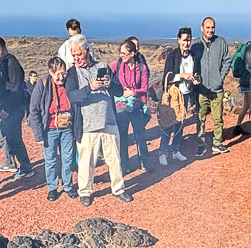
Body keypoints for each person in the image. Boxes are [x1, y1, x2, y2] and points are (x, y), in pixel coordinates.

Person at [66, 36, 131, 207]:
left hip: (109, 121)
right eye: (73, 55)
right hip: (87, 125)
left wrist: (110, 84)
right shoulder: (73, 73)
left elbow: (118, 90)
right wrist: (90, 88)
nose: (76, 58)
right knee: (86, 161)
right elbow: (72, 96)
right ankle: (85, 191)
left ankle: (119, 189)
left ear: (87, 50)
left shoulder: (103, 67)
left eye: (78, 54)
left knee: (114, 159)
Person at [28, 56, 77, 201]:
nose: (61, 78)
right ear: (51, 72)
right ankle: (52, 187)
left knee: (68, 158)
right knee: (50, 160)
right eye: (58, 74)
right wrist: (38, 135)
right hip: (49, 128)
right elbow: (34, 109)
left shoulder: (69, 83)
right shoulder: (43, 84)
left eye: (63, 73)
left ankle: (67, 185)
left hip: (67, 127)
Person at [0, 36, 34, 178]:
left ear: (4, 48)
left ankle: (26, 167)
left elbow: (15, 89)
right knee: (6, 135)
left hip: (14, 108)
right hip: (9, 107)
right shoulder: (4, 64)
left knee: (14, 138)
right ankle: (13, 163)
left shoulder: (11, 63)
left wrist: (7, 109)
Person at [110, 39, 152, 172]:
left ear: (132, 53)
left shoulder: (142, 68)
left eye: (124, 53)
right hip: (121, 106)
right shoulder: (116, 65)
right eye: (120, 53)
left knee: (140, 134)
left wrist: (133, 92)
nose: (121, 56)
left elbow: (144, 88)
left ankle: (145, 161)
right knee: (122, 136)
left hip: (136, 106)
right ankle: (124, 165)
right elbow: (107, 74)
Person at [191, 17, 230, 156]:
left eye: (212, 27)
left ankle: (217, 143)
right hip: (201, 89)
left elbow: (227, 60)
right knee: (200, 118)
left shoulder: (221, 42)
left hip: (216, 89)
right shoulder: (195, 44)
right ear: (202, 28)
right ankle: (201, 144)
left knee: (217, 118)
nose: (210, 30)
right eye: (207, 27)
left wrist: (220, 78)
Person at [158, 27, 197, 166]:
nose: (186, 43)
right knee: (169, 122)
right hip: (174, 95)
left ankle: (175, 150)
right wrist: (181, 76)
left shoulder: (192, 56)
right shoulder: (173, 55)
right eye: (184, 40)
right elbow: (166, 78)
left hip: (185, 94)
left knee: (180, 123)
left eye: (189, 40)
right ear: (178, 40)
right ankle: (163, 152)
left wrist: (195, 80)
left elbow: (195, 73)